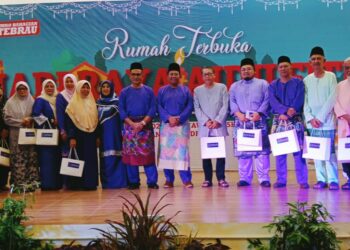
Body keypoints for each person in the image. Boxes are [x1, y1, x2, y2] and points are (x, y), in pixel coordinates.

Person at [229, 58, 271, 187]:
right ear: (240, 71)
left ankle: (264, 178)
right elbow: (232, 102)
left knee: (262, 153)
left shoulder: (263, 84)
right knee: (244, 153)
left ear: (254, 70)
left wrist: (259, 113)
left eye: (248, 69)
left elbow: (267, 99)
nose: (246, 71)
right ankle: (245, 178)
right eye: (243, 69)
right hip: (241, 122)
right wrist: (239, 114)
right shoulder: (234, 86)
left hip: (259, 121)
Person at [269, 56, 309, 189]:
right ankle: (281, 180)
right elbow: (272, 101)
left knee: (299, 152)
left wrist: (291, 111)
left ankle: (303, 180)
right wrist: (284, 111)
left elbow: (300, 98)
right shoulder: (273, 85)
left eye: (286, 66)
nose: (283, 68)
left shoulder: (298, 83)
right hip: (279, 120)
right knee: (281, 152)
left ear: (291, 67)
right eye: (281, 66)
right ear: (278, 69)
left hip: (295, 120)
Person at [304, 46, 339, 190]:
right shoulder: (307, 79)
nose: (316, 61)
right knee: (316, 152)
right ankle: (321, 180)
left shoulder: (331, 76)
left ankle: (333, 180)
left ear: (324, 60)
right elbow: (305, 102)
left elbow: (332, 98)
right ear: (310, 62)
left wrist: (320, 117)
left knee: (329, 152)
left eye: (319, 58)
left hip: (327, 122)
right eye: (313, 59)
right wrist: (311, 118)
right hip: (313, 124)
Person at [119, 62, 158, 189]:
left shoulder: (149, 91)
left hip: (145, 127)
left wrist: (142, 123)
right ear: (130, 76)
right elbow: (122, 111)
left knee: (148, 157)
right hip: (129, 127)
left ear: (142, 75)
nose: (136, 77)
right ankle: (134, 182)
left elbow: (152, 109)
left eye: (138, 74)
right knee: (131, 157)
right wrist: (132, 124)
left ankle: (152, 182)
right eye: (134, 74)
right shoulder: (124, 92)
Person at [158, 63, 194, 188]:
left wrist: (179, 118)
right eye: (171, 74)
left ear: (180, 75)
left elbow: (189, 106)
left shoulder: (185, 90)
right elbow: (159, 107)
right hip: (167, 126)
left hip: (181, 125)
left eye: (176, 74)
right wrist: (168, 118)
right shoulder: (162, 90)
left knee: (182, 153)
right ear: (168, 76)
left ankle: (186, 180)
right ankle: (169, 180)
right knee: (167, 153)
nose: (174, 76)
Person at [194, 66, 229, 188]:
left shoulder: (222, 87)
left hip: (218, 126)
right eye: (205, 74)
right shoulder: (197, 90)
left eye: (209, 74)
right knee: (206, 154)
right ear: (202, 77)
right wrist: (206, 121)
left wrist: (218, 120)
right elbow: (197, 108)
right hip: (205, 127)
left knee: (220, 154)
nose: (207, 76)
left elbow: (225, 105)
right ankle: (207, 179)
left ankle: (221, 178)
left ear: (214, 75)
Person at [4, 81, 39, 191]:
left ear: (28, 90)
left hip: (29, 136)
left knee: (31, 159)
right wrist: (21, 122)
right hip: (16, 136)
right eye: (20, 89)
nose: (22, 91)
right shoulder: (10, 102)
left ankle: (31, 185)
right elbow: (7, 119)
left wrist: (30, 119)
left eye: (24, 89)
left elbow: (37, 115)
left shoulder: (32, 101)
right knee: (18, 160)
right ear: (16, 90)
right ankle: (19, 185)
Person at [65, 80, 99, 190]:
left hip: (91, 136)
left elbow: (96, 121)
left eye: (87, 88)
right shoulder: (72, 105)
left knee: (91, 160)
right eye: (83, 88)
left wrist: (97, 137)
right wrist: (72, 137)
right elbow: (69, 123)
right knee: (79, 159)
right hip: (78, 137)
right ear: (78, 89)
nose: (85, 90)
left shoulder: (93, 103)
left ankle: (90, 184)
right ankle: (77, 184)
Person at [97, 80, 127, 189]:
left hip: (116, 135)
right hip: (103, 136)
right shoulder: (97, 103)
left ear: (111, 88)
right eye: (103, 86)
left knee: (117, 156)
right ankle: (107, 183)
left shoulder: (117, 102)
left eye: (107, 87)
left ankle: (120, 182)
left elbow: (122, 119)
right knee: (105, 158)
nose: (105, 89)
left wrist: (123, 133)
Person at [32, 79, 62, 190]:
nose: (50, 88)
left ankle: (57, 184)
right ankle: (48, 184)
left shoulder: (57, 99)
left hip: (57, 134)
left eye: (51, 86)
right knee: (47, 160)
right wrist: (50, 121)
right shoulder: (41, 100)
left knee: (56, 159)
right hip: (46, 136)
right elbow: (36, 114)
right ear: (43, 88)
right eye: (47, 86)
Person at [334, 57, 350, 190]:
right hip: (345, 124)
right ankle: (349, 179)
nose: (349, 70)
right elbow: (336, 104)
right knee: (346, 155)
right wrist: (345, 116)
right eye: (347, 68)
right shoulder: (339, 86)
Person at [56, 74, 77, 158]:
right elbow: (60, 114)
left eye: (71, 81)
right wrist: (62, 130)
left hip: (80, 129)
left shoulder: (79, 94)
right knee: (68, 157)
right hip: (67, 129)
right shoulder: (61, 96)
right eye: (67, 82)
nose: (69, 83)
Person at [0, 86, 9, 191]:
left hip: (5, 135)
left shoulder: (7, 102)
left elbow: (7, 117)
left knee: (4, 160)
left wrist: (5, 129)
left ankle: (2, 183)